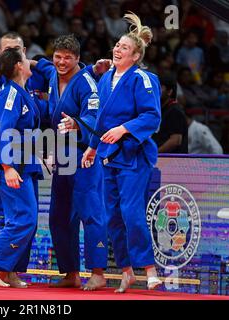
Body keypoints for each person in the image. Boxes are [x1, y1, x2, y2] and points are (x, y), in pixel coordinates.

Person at [82, 12, 163, 293]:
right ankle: (127, 271)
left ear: (136, 56)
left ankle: (149, 269)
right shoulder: (106, 80)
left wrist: (125, 129)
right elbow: (102, 120)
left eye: (124, 48)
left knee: (131, 212)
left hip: (133, 155)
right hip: (108, 155)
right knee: (111, 216)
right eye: (117, 45)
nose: (117, 49)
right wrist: (92, 147)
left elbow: (152, 117)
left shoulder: (144, 78)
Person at [0, 32, 49, 287]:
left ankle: (1, 270)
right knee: (24, 218)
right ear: (18, 66)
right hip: (11, 167)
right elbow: (1, 131)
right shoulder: (10, 94)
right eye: (26, 59)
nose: (30, 63)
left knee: (24, 219)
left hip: (24, 166)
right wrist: (7, 167)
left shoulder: (23, 93)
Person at [33, 34, 108, 290]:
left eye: (67, 58)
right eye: (58, 56)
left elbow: (95, 116)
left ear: (78, 59)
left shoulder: (87, 82)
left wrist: (77, 123)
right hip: (61, 155)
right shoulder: (51, 71)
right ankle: (71, 272)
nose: (61, 62)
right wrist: (24, 59)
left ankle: (98, 272)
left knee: (90, 212)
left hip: (83, 153)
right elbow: (39, 63)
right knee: (59, 215)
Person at [153, 75, 188, 153]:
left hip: (173, 162)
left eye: (160, 87)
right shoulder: (160, 110)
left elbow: (175, 141)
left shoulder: (175, 111)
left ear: (169, 92)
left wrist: (155, 154)